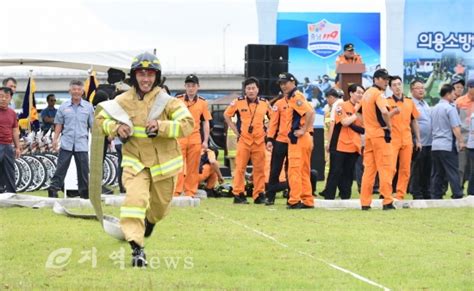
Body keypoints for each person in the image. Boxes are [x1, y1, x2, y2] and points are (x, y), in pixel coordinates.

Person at [95, 52, 194, 267]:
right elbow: (100, 118)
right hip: (135, 162)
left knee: (159, 209)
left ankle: (149, 222)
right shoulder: (122, 100)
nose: (146, 79)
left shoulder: (168, 102)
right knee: (134, 201)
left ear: (157, 77)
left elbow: (188, 124)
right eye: (141, 73)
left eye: (150, 74)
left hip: (163, 167)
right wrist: (115, 127)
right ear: (134, 76)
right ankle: (137, 248)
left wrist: (162, 126)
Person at [224, 77, 271, 204]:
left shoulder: (264, 103)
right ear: (245, 90)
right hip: (244, 140)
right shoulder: (238, 102)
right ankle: (239, 194)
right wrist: (235, 131)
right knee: (240, 168)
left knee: (260, 169)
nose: (251, 91)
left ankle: (259, 194)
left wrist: (267, 131)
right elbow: (226, 115)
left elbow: (273, 118)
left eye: (253, 88)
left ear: (258, 89)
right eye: (248, 88)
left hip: (259, 141)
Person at [47, 80, 94, 199]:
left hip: (82, 144)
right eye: (74, 89)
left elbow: (93, 126)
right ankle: (53, 189)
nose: (76, 92)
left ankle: (84, 192)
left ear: (83, 91)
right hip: (66, 143)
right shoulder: (63, 107)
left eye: (79, 90)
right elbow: (58, 124)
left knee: (83, 170)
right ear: (70, 91)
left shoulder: (88, 107)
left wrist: (96, 142)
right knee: (61, 167)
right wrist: (55, 140)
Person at [276, 73, 315, 209]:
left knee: (294, 170)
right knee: (304, 170)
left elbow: (310, 112)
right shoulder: (295, 96)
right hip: (303, 138)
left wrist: (303, 130)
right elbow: (310, 112)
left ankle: (295, 200)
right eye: (281, 84)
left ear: (293, 82)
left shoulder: (295, 97)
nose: (283, 86)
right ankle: (307, 200)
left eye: (285, 83)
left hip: (298, 139)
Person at [320, 84, 364, 200]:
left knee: (348, 174)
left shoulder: (363, 108)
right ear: (351, 93)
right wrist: (357, 114)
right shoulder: (341, 106)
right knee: (335, 171)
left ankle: (345, 197)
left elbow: (363, 127)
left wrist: (357, 115)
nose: (360, 95)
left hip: (354, 146)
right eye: (358, 92)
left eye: (362, 93)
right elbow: (344, 122)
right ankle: (329, 197)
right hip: (339, 145)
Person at [360, 69, 395, 210]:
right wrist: (389, 127)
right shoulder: (379, 94)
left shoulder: (366, 93)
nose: (387, 82)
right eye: (384, 79)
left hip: (369, 135)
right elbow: (385, 111)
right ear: (376, 79)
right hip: (380, 136)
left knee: (369, 170)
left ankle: (365, 203)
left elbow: (358, 112)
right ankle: (387, 201)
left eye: (387, 79)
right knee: (385, 168)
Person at [174, 74, 212, 197]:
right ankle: (176, 190)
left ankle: (190, 191)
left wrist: (205, 140)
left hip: (195, 137)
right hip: (180, 136)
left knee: (193, 166)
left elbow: (206, 122)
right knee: (178, 165)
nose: (191, 88)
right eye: (188, 86)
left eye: (193, 86)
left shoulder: (202, 102)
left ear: (198, 87)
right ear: (185, 86)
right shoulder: (178, 100)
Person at [387, 76, 421, 200]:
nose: (397, 87)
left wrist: (418, 139)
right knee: (390, 168)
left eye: (399, 84)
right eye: (394, 85)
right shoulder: (387, 102)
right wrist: (392, 113)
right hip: (392, 139)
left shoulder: (409, 102)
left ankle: (400, 194)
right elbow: (382, 120)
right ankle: (386, 193)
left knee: (405, 169)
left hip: (407, 139)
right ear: (390, 88)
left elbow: (414, 121)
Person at [430, 84, 465, 199]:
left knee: (437, 172)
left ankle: (435, 195)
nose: (454, 96)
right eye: (453, 93)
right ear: (448, 94)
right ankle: (457, 193)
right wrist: (461, 141)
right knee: (452, 170)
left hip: (435, 145)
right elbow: (455, 127)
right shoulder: (450, 108)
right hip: (447, 145)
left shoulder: (434, 108)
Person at [409, 79, 433, 199]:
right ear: (411, 90)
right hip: (417, 142)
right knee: (417, 169)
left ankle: (426, 191)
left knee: (427, 169)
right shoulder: (410, 104)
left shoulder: (425, 103)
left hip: (429, 142)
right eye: (418, 88)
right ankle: (416, 192)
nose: (421, 90)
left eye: (422, 88)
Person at [266, 93, 290, 205]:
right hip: (280, 140)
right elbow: (273, 123)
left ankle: (292, 196)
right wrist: (270, 139)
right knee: (275, 169)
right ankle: (270, 197)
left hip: (293, 142)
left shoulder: (300, 103)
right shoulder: (278, 104)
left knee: (291, 170)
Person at [0, 87, 21, 193]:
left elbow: (15, 131)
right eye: (1, 96)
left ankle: (12, 194)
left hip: (8, 145)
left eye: (6, 97)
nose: (3, 99)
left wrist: (17, 147)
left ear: (10, 99)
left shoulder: (12, 113)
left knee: (9, 170)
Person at [455, 78, 473, 189]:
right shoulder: (460, 102)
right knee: (461, 166)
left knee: (471, 168)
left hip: (473, 139)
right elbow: (454, 121)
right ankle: (458, 190)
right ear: (470, 88)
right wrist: (459, 139)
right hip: (462, 138)